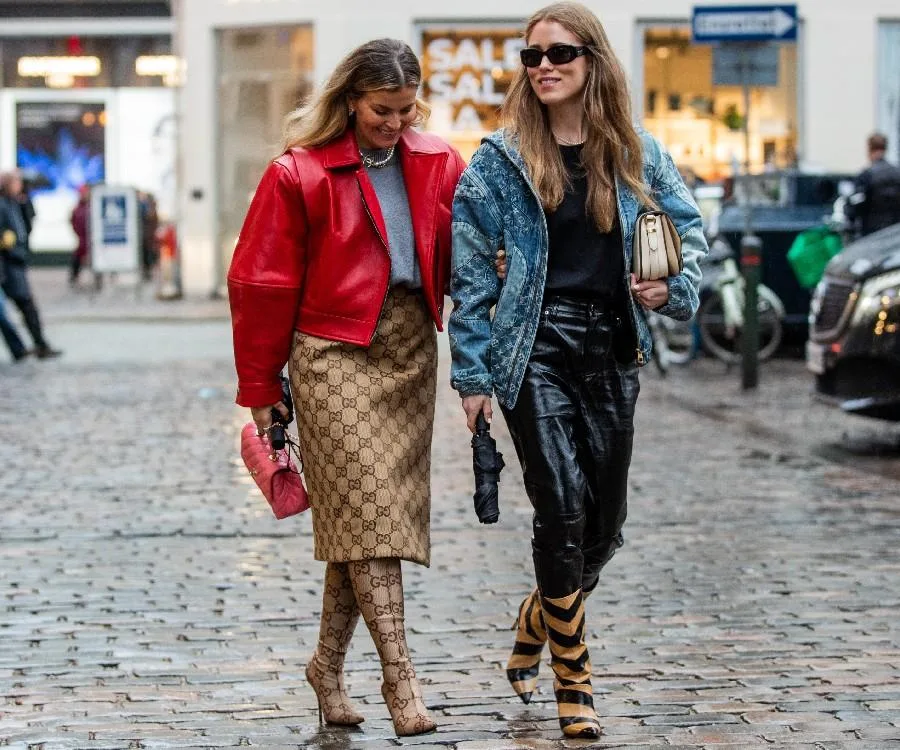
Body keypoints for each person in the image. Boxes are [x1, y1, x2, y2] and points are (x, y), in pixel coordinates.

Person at [448, 2, 706, 739]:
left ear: (591, 60)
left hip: (612, 350)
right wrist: (471, 377)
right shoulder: (497, 163)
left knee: (605, 528)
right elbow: (471, 279)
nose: (545, 67)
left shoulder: (632, 153)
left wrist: (670, 287)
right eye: (532, 57)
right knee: (559, 508)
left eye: (559, 53)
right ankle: (575, 683)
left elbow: (687, 230)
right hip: (533, 351)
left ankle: (540, 615)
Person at [227, 38, 465, 737]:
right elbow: (260, 282)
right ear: (350, 99)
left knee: (367, 521)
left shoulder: (438, 161)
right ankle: (402, 681)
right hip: (330, 351)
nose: (395, 122)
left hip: (409, 351)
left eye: (405, 109)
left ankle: (326, 669)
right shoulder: (297, 173)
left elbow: (465, 251)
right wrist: (259, 384)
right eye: (380, 109)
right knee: (369, 513)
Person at [0, 170, 61, 359]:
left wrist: (25, 201)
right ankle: (30, 346)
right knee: (23, 306)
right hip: (7, 263)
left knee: (23, 307)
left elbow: (27, 223)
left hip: (15, 260)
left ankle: (31, 346)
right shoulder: (3, 205)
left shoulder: (16, 203)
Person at [845, 132, 900, 237]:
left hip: (872, 234)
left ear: (869, 149)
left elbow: (855, 204)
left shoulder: (867, 175)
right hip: (895, 234)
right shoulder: (897, 173)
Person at [69, 184, 91, 286]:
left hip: (91, 238)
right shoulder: (77, 208)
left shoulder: (92, 206)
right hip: (82, 238)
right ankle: (74, 276)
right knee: (78, 257)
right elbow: (72, 221)